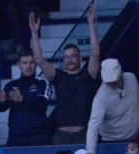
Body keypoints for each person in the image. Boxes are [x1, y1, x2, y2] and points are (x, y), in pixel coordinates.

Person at [29, 8, 100, 146]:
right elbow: (39, 60)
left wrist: (91, 24)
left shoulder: (88, 76)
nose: (69, 60)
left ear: (80, 58)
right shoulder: (59, 77)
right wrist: (34, 33)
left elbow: (95, 53)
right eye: (66, 57)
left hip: (83, 135)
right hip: (61, 136)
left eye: (73, 56)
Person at [84, 59, 139, 154]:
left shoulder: (131, 78)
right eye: (108, 82)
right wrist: (90, 151)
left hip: (136, 139)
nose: (111, 84)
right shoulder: (101, 97)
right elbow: (93, 124)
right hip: (111, 144)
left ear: (121, 72)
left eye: (114, 81)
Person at [0, 49, 50, 147]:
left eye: (31, 62)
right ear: (19, 64)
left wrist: (22, 99)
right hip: (15, 138)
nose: (28, 66)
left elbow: (42, 105)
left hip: (38, 138)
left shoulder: (42, 83)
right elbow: (2, 108)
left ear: (36, 64)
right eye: (24, 63)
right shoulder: (11, 85)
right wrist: (2, 101)